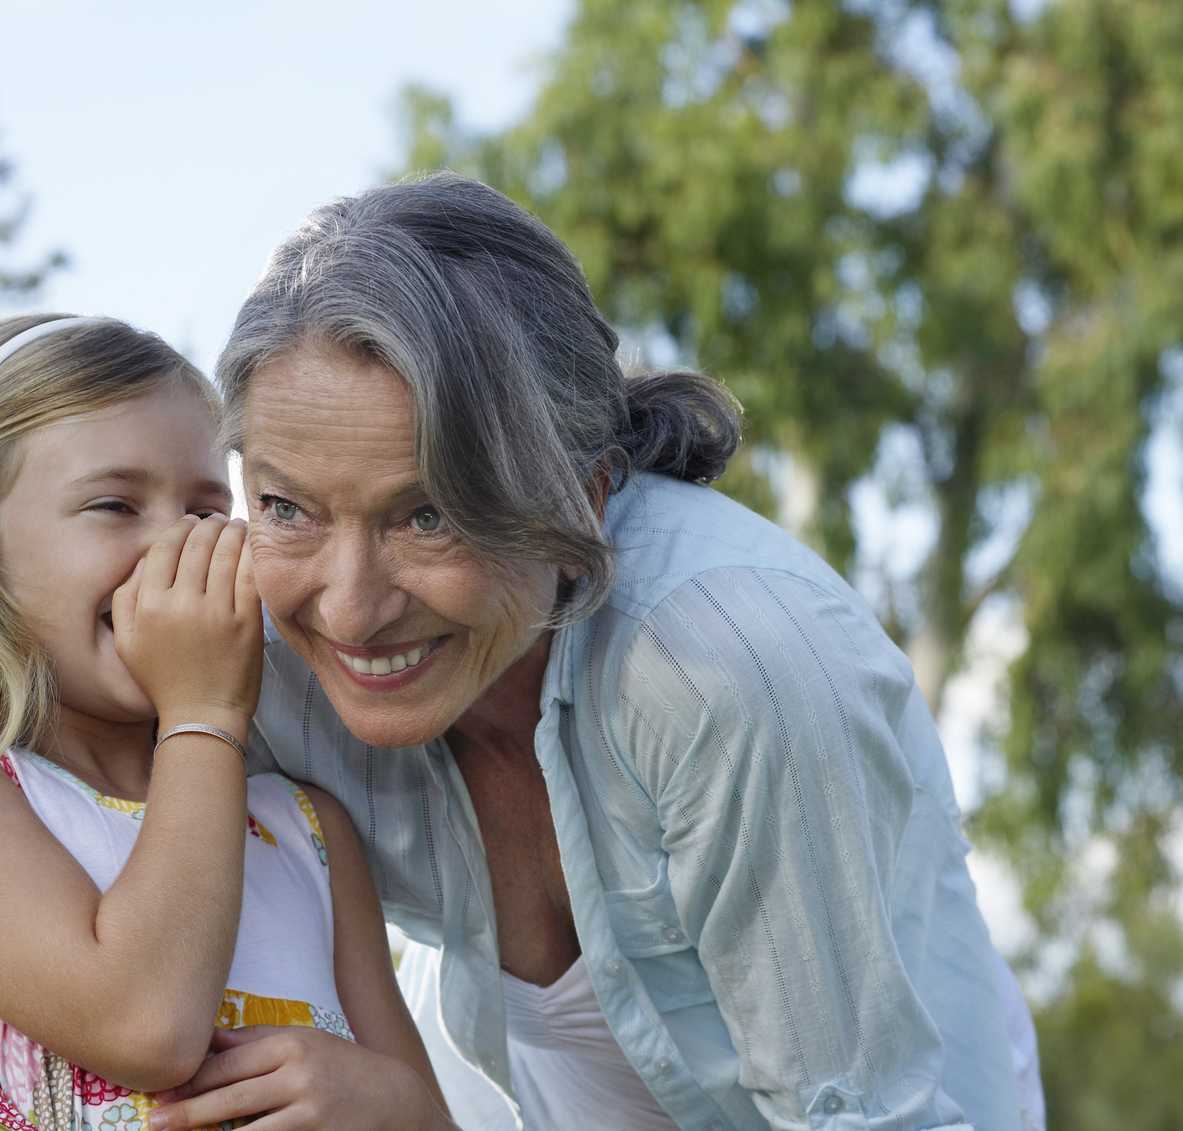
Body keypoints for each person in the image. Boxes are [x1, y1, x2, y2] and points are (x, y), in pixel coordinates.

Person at [200, 173, 1039, 1131]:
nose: (346, 609)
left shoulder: (727, 669)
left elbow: (858, 1116)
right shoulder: (250, 653)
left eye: (428, 514)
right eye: (285, 506)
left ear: (584, 496)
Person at [0, 314, 456, 1131]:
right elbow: (146, 1024)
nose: (174, 548)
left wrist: (393, 1104)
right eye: (115, 504)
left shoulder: (306, 830)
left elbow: (429, 1115)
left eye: (204, 509)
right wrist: (202, 713)